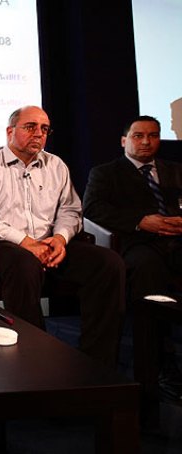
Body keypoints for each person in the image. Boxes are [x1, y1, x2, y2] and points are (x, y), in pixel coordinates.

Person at [0, 105, 125, 368]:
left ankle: (97, 362)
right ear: (10, 131)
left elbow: (70, 210)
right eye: (30, 127)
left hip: (51, 244)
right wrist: (26, 242)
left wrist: (60, 239)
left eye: (44, 129)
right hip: (9, 246)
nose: (38, 134)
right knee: (24, 264)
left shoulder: (56, 165)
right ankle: (35, 360)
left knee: (109, 263)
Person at [83, 115, 182, 401]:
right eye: (139, 136)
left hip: (176, 242)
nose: (146, 142)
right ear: (124, 140)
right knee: (148, 271)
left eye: (153, 136)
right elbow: (93, 209)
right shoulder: (106, 173)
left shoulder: (175, 170)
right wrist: (140, 221)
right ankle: (157, 364)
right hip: (137, 243)